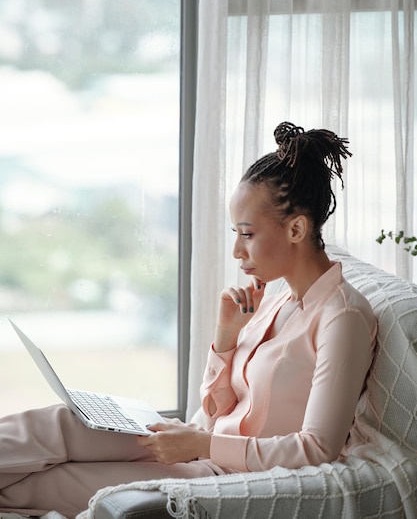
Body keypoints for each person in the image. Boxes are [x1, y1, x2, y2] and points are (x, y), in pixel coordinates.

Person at [0, 121, 377, 518]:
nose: (236, 250)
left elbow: (317, 449)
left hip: (223, 473)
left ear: (296, 229)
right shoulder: (277, 299)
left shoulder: (343, 318)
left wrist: (202, 446)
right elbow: (218, 411)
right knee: (62, 422)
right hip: (197, 443)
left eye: (247, 234)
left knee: (33, 487)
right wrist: (226, 340)